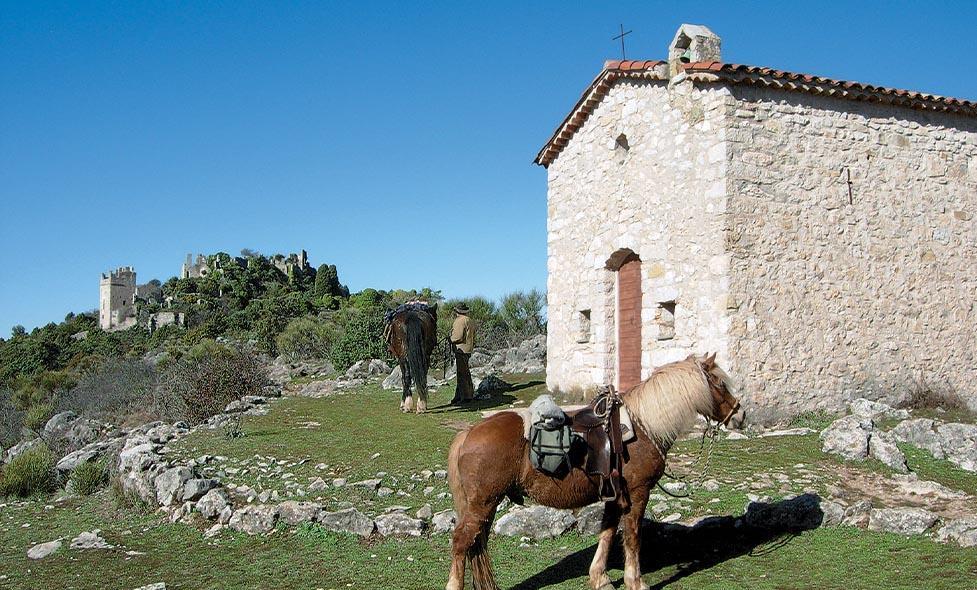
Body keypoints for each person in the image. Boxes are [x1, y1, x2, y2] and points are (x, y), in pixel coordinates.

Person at [449, 303, 476, 404]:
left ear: (456, 311)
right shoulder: (469, 320)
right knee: (465, 372)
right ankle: (461, 395)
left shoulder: (459, 321)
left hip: (461, 349)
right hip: (468, 348)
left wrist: (450, 339)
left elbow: (458, 337)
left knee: (462, 373)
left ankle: (465, 397)